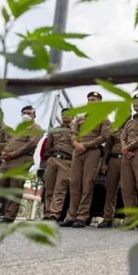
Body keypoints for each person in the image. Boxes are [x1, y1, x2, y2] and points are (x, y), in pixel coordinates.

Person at [60, 92, 111, 228]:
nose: (90, 102)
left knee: (87, 184)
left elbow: (104, 136)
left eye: (93, 100)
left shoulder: (104, 118)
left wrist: (86, 145)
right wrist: (76, 143)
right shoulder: (80, 119)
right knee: (74, 183)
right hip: (77, 151)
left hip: (92, 151)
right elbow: (73, 133)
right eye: (89, 99)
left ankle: (82, 216)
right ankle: (71, 216)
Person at [0, 105, 43, 224]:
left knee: (14, 188)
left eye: (29, 113)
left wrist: (12, 154)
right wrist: (4, 153)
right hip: (7, 160)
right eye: (24, 113)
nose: (26, 115)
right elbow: (10, 143)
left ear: (34, 115)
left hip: (21, 160)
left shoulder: (36, 128)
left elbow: (30, 144)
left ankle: (9, 217)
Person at [42, 108, 74, 221]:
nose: (65, 116)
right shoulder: (53, 130)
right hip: (53, 159)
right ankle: (47, 213)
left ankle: (54, 214)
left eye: (68, 114)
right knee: (49, 187)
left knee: (60, 188)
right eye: (63, 114)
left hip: (67, 161)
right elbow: (47, 147)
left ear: (73, 117)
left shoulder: (76, 131)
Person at [98, 118, 129, 228]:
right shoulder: (114, 130)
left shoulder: (132, 129)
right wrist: (104, 163)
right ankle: (108, 217)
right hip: (113, 160)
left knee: (128, 191)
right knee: (110, 189)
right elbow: (107, 148)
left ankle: (129, 219)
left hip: (127, 161)